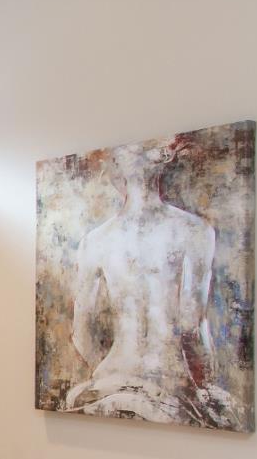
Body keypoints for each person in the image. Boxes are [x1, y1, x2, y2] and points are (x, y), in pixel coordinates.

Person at [65, 136, 230, 427]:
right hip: (169, 380)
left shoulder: (95, 240)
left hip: (109, 376)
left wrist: (115, 374)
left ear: (118, 169)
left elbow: (81, 332)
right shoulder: (194, 230)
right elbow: (192, 324)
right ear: (165, 162)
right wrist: (204, 386)